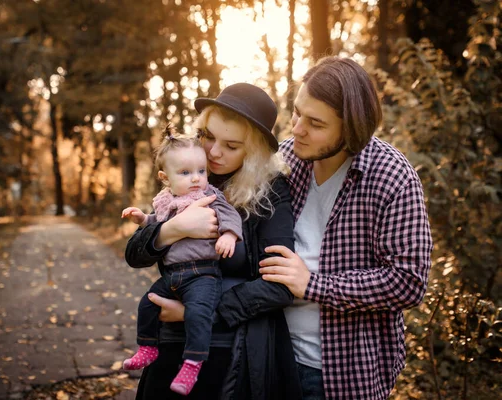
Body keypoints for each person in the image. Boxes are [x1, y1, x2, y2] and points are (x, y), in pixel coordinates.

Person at [258, 56, 434, 399]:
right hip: (269, 356)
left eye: (315, 123)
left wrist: (314, 285)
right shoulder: (283, 160)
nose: (296, 129)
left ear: (351, 129)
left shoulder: (393, 177)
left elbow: (409, 281)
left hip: (341, 375)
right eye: (296, 112)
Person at [124, 83, 303, 399]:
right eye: (207, 136)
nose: (213, 152)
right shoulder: (189, 173)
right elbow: (135, 254)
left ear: (254, 150)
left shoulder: (272, 192)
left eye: (231, 145)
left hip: (238, 350)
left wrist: (198, 311)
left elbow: (279, 286)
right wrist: (173, 230)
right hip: (172, 345)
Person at [120, 126, 243, 395]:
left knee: (198, 313)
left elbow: (230, 216)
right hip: (173, 275)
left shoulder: (209, 195)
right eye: (186, 173)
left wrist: (229, 236)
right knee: (148, 304)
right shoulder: (166, 200)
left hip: (202, 274)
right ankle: (148, 347)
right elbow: (156, 223)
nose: (196, 178)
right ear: (166, 177)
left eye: (201, 170)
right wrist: (143, 219)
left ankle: (193, 362)